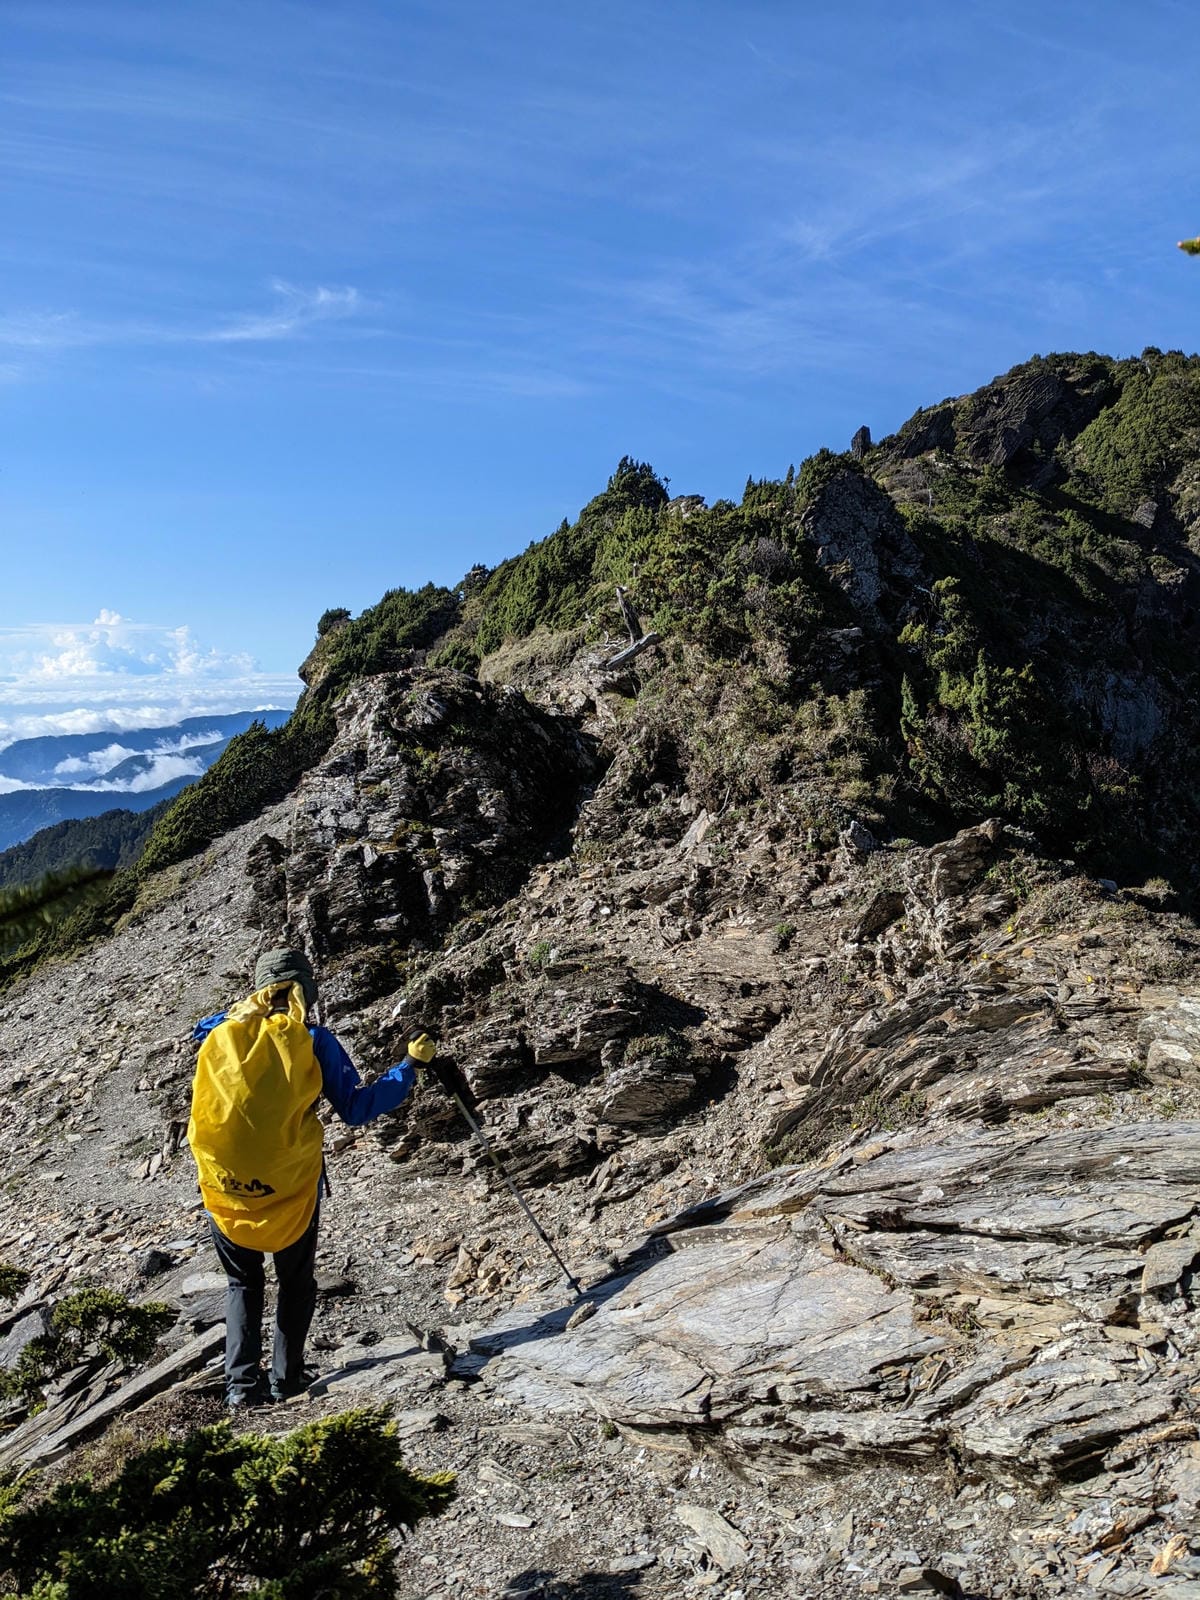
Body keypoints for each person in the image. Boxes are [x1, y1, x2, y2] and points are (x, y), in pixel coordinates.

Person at [187, 948, 437, 1409]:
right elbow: (357, 1109)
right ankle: (287, 1378)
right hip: (291, 1184)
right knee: (295, 1280)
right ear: (306, 990)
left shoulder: (217, 1031)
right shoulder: (315, 1040)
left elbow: (203, 1029)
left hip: (225, 1184)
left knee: (242, 1283)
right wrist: (410, 1067)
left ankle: (241, 1388)